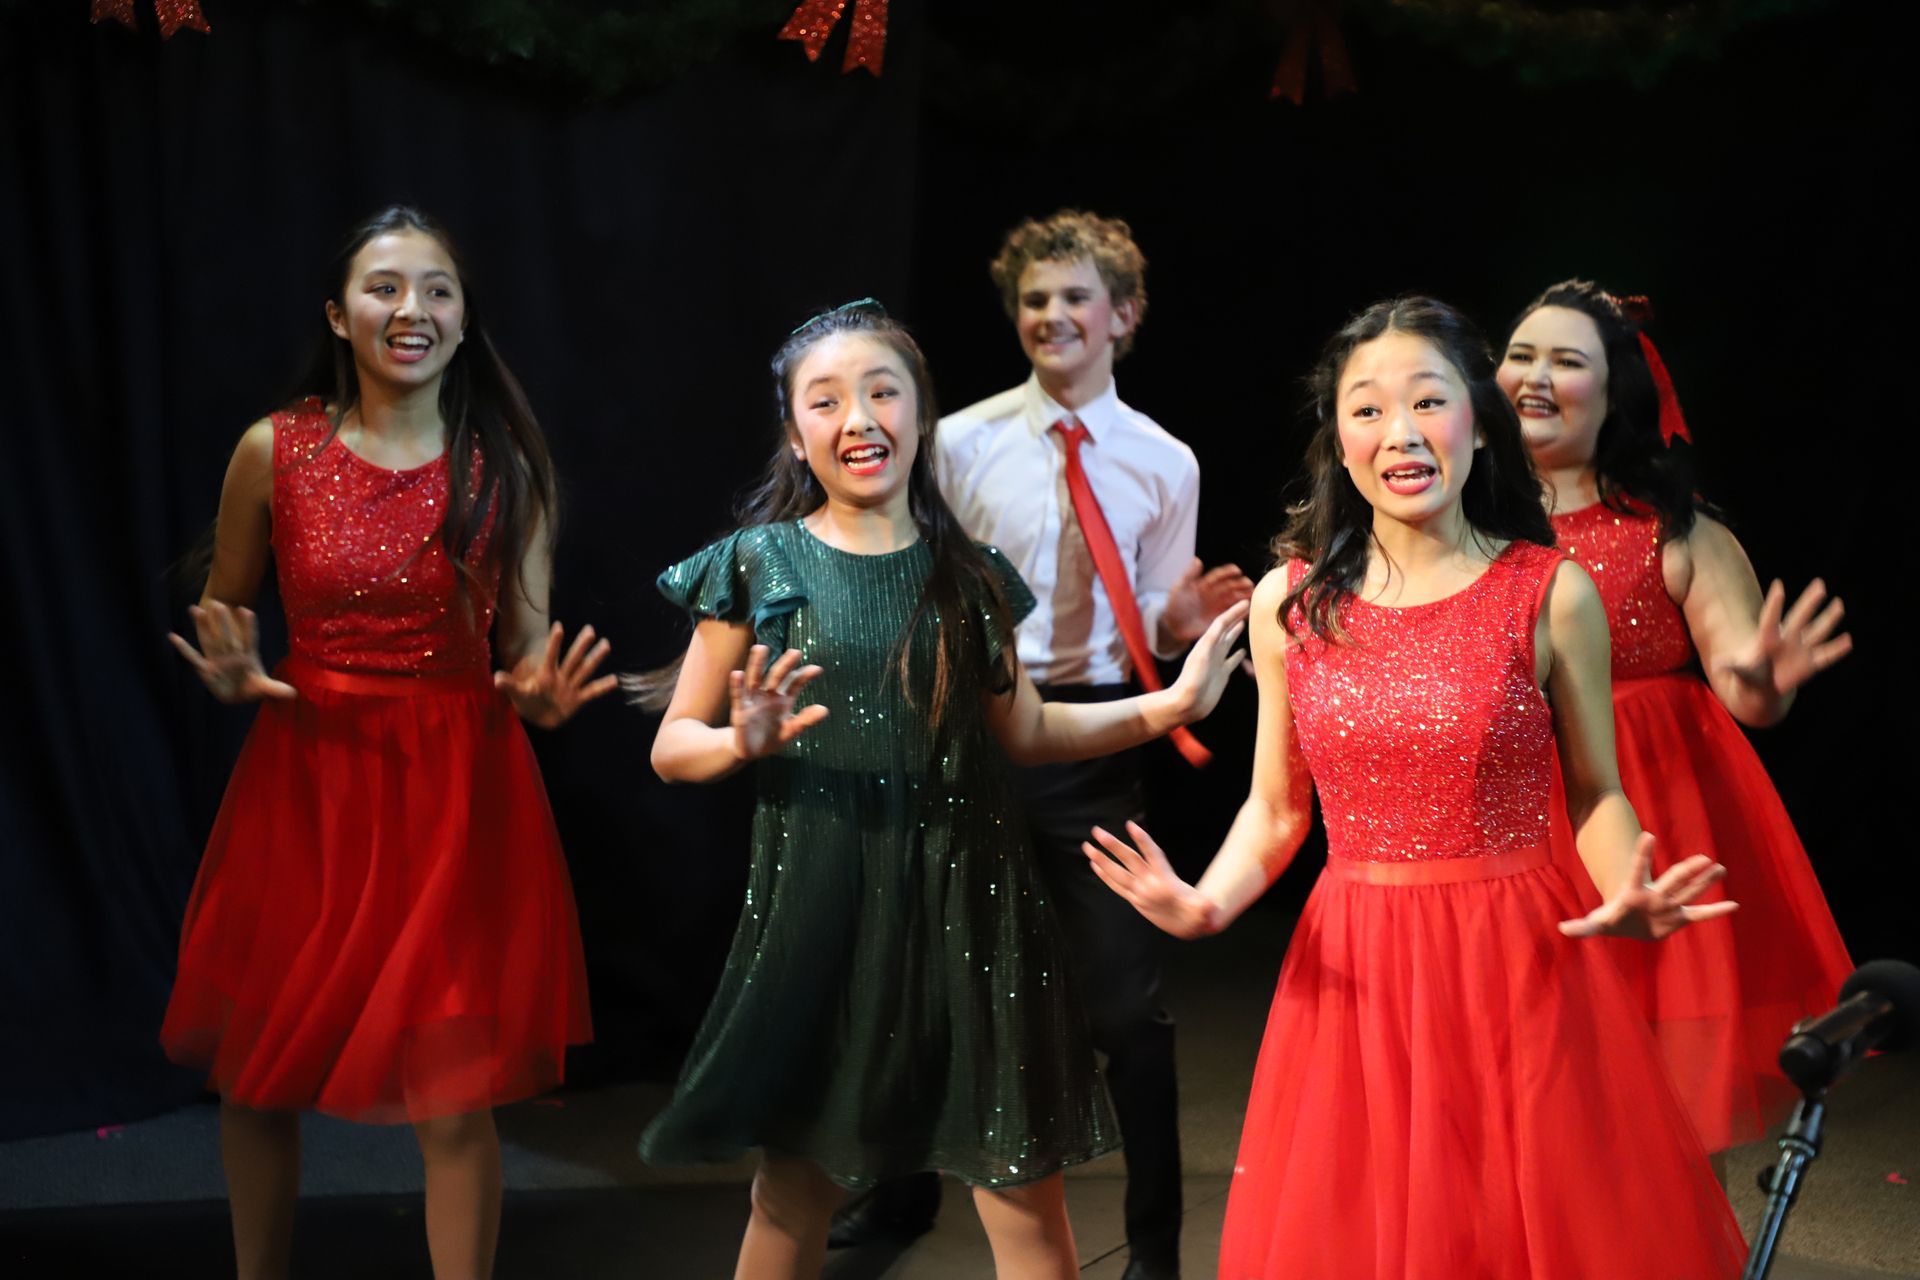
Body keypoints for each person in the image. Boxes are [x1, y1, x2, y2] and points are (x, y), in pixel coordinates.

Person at [1086, 297, 1747, 1278]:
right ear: (1339, 443)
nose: (1399, 430)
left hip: (1518, 954)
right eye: (1368, 409)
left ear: (1478, 425)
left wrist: (1624, 885)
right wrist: (1207, 902)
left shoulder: (1550, 589)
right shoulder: (1291, 602)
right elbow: (1277, 807)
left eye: (1428, 401)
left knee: (1522, 1223)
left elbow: (1594, 793)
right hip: (1359, 965)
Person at [633, 299, 1247, 1280]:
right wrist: (737, 741)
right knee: (792, 1194)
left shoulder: (967, 576)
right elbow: (673, 747)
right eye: (826, 400)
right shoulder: (760, 563)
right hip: (826, 920)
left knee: (1024, 1193)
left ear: (920, 414)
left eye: (883, 392)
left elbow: (1029, 731)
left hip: (975, 915)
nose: (859, 418)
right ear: (794, 431)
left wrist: (1170, 704)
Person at [161, 206, 612, 1280]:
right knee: (257, 1080)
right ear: (339, 315)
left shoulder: (505, 465)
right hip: (309, 782)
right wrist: (230, 669)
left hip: (455, 791)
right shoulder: (276, 450)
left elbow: (527, 649)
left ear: (463, 319)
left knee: (452, 1099)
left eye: (437, 290)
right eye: (386, 287)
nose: (413, 309)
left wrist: (541, 695)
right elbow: (227, 605)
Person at [855, 211, 1248, 1280]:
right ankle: (899, 1192)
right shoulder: (960, 443)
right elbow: (920, 580)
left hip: (1096, 738)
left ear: (1123, 315)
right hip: (974, 725)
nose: (1052, 315)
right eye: (1035, 299)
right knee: (926, 978)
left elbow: (1155, 611)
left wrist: (1183, 617)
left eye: (1076, 297)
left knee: (1126, 1007)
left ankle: (1156, 1243)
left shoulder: (1164, 460)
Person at [1498, 279, 1854, 1152]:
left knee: (1662, 1097)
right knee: (1524, 1078)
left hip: (1647, 805)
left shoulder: (1674, 531)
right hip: (1508, 816)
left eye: (1564, 361)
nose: (1535, 376)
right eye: (1520, 355)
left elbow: (1746, 689)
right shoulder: (1458, 526)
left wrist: (1765, 682)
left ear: (1615, 391)